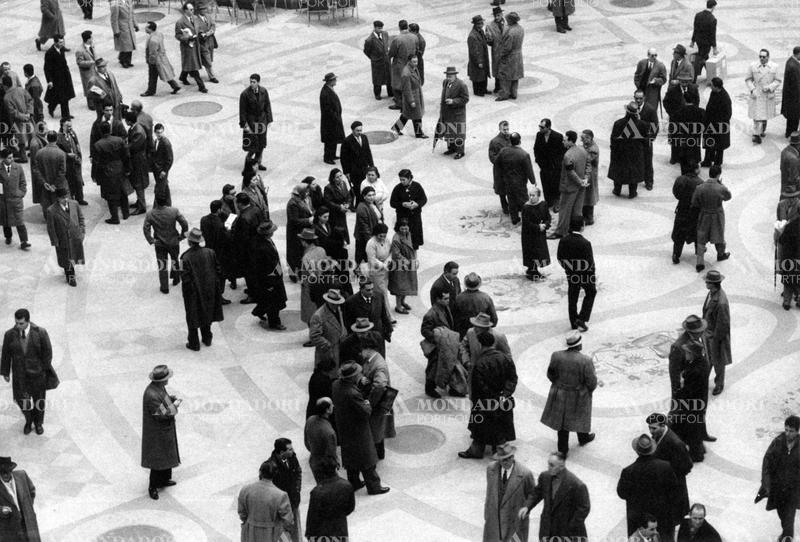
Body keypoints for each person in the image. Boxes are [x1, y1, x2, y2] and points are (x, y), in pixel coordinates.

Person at [332, 362, 390, 495]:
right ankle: (374, 486)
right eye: (357, 374)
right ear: (352, 377)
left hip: (344, 427)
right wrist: (367, 403)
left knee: (351, 457)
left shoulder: (336, 385)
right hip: (358, 429)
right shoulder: (352, 393)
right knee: (367, 458)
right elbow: (366, 412)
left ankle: (354, 482)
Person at [458, 332, 517, 459]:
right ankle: (497, 449)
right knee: (500, 424)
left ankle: (477, 450)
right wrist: (504, 394)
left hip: (485, 402)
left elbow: (479, 387)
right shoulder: (505, 358)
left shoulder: (480, 364)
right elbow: (512, 379)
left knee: (480, 426)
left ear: (480, 345)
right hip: (503, 400)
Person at [540, 331, 596, 455]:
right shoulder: (586, 360)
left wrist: (559, 385)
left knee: (562, 422)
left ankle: (563, 450)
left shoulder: (556, 355)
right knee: (580, 416)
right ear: (579, 345)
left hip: (559, 393)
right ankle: (583, 438)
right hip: (578, 394)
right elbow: (591, 381)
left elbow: (550, 374)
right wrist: (587, 391)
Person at [1, 309, 54, 436]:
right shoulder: (9, 335)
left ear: (28, 321)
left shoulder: (40, 332)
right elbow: (6, 355)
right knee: (22, 401)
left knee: (39, 401)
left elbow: (48, 353)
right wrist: (5, 372)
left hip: (37, 375)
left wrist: (43, 369)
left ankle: (38, 423)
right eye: (16, 323)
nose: (18, 326)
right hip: (20, 376)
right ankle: (29, 420)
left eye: (21, 323)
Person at [669, 315, 714, 463]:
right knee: (681, 417)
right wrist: (677, 393)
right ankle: (679, 443)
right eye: (700, 331)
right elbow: (674, 373)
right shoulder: (678, 346)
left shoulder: (699, 339)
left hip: (698, 386)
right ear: (692, 332)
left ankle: (700, 437)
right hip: (687, 389)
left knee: (699, 413)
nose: (702, 333)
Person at [618, 434, 679, 542]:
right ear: (652, 450)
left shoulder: (628, 471)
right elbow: (674, 490)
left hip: (638, 518)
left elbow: (622, 493)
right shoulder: (665, 467)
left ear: (637, 451)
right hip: (663, 516)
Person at [521, 452, 590, 540]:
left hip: (566, 532)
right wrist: (527, 506)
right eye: (548, 464)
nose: (548, 467)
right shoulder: (544, 476)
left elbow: (584, 508)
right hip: (547, 529)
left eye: (552, 465)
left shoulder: (577, 485)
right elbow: (537, 493)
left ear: (561, 466)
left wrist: (571, 526)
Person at [480, 443, 536, 541]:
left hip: (515, 524)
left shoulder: (525, 474)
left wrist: (525, 510)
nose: (506, 462)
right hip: (494, 523)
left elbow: (533, 495)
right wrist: (487, 515)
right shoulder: (491, 469)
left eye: (508, 458)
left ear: (513, 457)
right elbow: (489, 493)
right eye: (503, 460)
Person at [647, 412, 692, 530]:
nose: (651, 431)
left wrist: (671, 475)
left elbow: (687, 465)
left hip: (674, 489)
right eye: (649, 428)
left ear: (663, 425)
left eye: (654, 428)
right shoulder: (658, 435)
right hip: (663, 487)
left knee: (670, 522)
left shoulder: (675, 443)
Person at [141, 364, 181, 500]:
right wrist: (173, 406)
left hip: (163, 430)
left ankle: (164, 479)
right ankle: (153, 486)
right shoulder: (151, 394)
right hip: (157, 432)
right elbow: (160, 414)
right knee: (158, 459)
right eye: (167, 378)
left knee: (166, 455)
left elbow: (163, 401)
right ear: (161, 380)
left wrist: (170, 400)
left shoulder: (158, 388)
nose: (168, 380)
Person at [180, 228, 224, 349]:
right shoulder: (210, 252)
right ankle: (207, 338)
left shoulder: (185, 257)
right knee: (207, 312)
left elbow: (185, 278)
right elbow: (218, 270)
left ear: (189, 241)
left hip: (193, 292)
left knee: (192, 316)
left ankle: (194, 343)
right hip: (209, 289)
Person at [759, 414, 800, 542]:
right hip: (778, 487)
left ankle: (787, 537)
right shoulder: (777, 442)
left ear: (797, 431)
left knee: (789, 513)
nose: (787, 433)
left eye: (791, 431)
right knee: (782, 513)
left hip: (794, 489)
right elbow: (767, 462)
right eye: (786, 430)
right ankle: (786, 533)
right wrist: (766, 484)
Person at [358, 335, 396, 459]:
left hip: (378, 403)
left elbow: (380, 385)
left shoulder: (378, 365)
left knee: (376, 429)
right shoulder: (373, 360)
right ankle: (378, 453)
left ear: (368, 349)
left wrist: (370, 401)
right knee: (377, 429)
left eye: (362, 349)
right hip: (378, 402)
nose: (360, 353)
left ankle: (376, 455)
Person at [237, 461, 294, 542]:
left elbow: (242, 513)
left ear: (260, 472)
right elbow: (288, 521)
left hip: (250, 533)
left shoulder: (245, 490)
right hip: (272, 534)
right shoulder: (281, 495)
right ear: (275, 474)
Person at [143, 195, 188, 293]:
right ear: (166, 201)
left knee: (162, 265)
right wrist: (182, 236)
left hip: (159, 243)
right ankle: (176, 279)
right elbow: (184, 223)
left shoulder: (150, 214)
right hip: (173, 241)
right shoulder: (174, 211)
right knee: (175, 260)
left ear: (156, 202)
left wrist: (151, 240)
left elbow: (146, 229)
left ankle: (164, 287)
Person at [557, 218, 596, 332]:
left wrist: (568, 269)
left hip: (571, 273)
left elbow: (560, 258)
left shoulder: (563, 240)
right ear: (582, 227)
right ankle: (582, 318)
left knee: (572, 297)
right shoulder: (586, 243)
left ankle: (573, 322)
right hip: (585, 275)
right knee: (591, 292)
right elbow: (589, 263)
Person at [305, 457, 356, 542]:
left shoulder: (317, 492)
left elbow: (312, 517)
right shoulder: (347, 485)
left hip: (322, 532)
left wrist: (309, 534)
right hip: (340, 527)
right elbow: (350, 508)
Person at [248, 221, 287, 330]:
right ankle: (274, 322)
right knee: (274, 303)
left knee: (269, 300)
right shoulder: (262, 247)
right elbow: (262, 268)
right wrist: (269, 283)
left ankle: (258, 311)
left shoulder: (265, 241)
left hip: (275, 275)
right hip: (270, 279)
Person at [691, 165, 731, 272]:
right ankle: (721, 253)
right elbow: (728, 197)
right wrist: (721, 184)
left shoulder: (700, 187)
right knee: (719, 234)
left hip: (704, 214)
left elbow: (694, 202)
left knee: (701, 237)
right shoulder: (721, 188)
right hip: (717, 215)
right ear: (718, 175)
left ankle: (700, 262)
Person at [550, 131, 588, 239]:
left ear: (571, 141)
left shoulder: (568, 155)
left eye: (565, 140)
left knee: (564, 210)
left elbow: (570, 172)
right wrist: (585, 178)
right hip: (580, 187)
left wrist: (580, 181)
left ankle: (561, 231)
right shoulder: (582, 150)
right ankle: (575, 228)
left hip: (569, 187)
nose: (563, 141)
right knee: (577, 209)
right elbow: (588, 164)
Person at [421, 289, 457, 398]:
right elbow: (424, 331)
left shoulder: (445, 308)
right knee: (433, 368)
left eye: (448, 298)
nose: (448, 301)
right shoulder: (430, 314)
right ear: (438, 299)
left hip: (446, 344)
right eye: (445, 299)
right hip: (437, 346)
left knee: (448, 365)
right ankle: (429, 389)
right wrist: (438, 338)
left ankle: (450, 386)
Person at [495, 132, 537, 225]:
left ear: (510, 141)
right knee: (524, 200)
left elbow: (497, 163)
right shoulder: (524, 154)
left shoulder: (503, 151)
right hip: (520, 182)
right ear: (520, 141)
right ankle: (528, 219)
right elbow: (528, 169)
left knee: (511, 200)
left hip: (508, 181)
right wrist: (533, 181)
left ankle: (514, 218)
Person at [93, 122, 131, 224]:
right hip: (120, 168)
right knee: (123, 192)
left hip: (107, 171)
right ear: (110, 129)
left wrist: (96, 176)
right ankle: (126, 213)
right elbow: (126, 155)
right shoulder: (119, 140)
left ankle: (115, 217)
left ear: (101, 131)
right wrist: (127, 169)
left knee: (111, 195)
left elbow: (97, 162)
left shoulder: (98, 145)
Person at [46, 187, 85, 287]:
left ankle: (70, 271)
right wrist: (55, 241)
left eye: (66, 197)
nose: (65, 199)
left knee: (74, 256)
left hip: (75, 236)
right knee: (66, 258)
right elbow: (51, 228)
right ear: (58, 199)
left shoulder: (74, 204)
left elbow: (81, 218)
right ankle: (71, 277)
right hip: (62, 239)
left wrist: (82, 231)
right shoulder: (52, 210)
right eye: (63, 198)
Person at [609, 102, 648, 199]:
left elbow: (613, 139)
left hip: (620, 152)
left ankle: (617, 190)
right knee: (633, 172)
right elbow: (645, 140)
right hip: (636, 153)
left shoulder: (618, 123)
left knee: (619, 170)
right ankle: (632, 192)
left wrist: (614, 150)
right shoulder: (642, 124)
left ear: (626, 112)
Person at [265, 439, 302, 542]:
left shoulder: (292, 457)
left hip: (293, 501)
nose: (293, 451)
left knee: (295, 530)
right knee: (283, 534)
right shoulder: (271, 466)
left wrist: (297, 488)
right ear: (281, 452)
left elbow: (298, 472)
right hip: (280, 506)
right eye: (289, 449)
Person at [701, 270, 730, 395]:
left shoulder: (721, 301)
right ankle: (703, 380)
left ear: (713, 283)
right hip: (708, 333)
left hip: (715, 336)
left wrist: (716, 340)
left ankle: (719, 384)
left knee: (718, 361)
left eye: (707, 281)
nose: (706, 283)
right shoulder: (711, 294)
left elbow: (723, 324)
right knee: (708, 358)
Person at [199, 200, 233, 305]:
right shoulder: (219, 224)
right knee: (221, 275)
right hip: (219, 252)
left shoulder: (203, 219)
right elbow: (226, 238)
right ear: (219, 210)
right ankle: (219, 296)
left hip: (208, 249)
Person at [0, 455, 41, 540]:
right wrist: (2, 510)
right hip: (9, 527)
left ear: (11, 470)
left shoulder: (21, 475)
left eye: (7, 472)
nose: (5, 475)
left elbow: (32, 491)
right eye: (2, 473)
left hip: (28, 522)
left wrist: (27, 506)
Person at [671, 161, 704, 265]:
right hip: (695, 212)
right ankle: (697, 251)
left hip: (682, 209)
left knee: (679, 233)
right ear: (695, 170)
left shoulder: (680, 179)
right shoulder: (700, 183)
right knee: (696, 232)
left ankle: (676, 254)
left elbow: (675, 192)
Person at [746, 49, 781, 144]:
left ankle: (761, 131)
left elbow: (778, 80)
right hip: (757, 93)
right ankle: (756, 134)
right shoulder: (753, 66)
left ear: (768, 57)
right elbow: (748, 79)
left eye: (764, 57)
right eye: (760, 56)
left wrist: (770, 87)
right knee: (757, 116)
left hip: (767, 94)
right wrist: (752, 89)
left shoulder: (774, 66)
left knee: (764, 115)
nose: (761, 58)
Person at [299, 229, 329, 344]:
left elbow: (310, 275)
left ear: (304, 242)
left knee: (310, 313)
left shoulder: (306, 257)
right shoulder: (321, 250)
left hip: (310, 288)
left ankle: (314, 337)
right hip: (322, 284)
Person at [315, 205, 351, 296]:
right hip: (325, 253)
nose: (327, 219)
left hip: (333, 251)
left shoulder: (328, 224)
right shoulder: (315, 228)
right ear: (318, 216)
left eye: (328, 216)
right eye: (324, 217)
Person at [239, 74, 272, 170]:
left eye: (254, 82)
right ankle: (248, 165)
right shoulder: (245, 94)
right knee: (252, 145)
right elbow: (242, 111)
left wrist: (269, 120)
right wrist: (244, 125)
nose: (252, 84)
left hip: (262, 121)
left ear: (258, 82)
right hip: (251, 122)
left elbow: (267, 105)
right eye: (251, 82)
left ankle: (258, 162)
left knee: (261, 144)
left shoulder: (263, 91)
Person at [389, 169, 427, 249]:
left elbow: (423, 199)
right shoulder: (397, 188)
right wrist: (403, 204)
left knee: (415, 237)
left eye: (404, 179)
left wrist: (417, 204)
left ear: (409, 178)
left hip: (415, 217)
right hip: (403, 218)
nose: (402, 181)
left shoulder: (417, 186)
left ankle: (414, 254)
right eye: (400, 180)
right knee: (404, 237)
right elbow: (392, 203)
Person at [174, 3, 208, 93]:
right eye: (190, 10)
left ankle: (183, 77)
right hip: (188, 47)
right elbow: (177, 35)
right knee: (193, 67)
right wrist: (187, 38)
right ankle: (201, 86)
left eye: (193, 9)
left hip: (196, 45)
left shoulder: (195, 18)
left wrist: (201, 33)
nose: (192, 11)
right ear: (185, 10)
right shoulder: (180, 22)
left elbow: (198, 28)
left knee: (189, 63)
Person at [437, 67, 470, 159]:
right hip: (447, 112)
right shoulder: (445, 82)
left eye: (450, 76)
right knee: (449, 131)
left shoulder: (461, 85)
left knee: (458, 132)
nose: (448, 78)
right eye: (447, 76)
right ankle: (451, 148)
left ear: (455, 75)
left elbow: (465, 99)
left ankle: (460, 151)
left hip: (457, 114)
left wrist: (453, 101)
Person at [35, 130, 69, 220]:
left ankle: (49, 221)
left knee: (47, 205)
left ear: (47, 138)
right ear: (56, 139)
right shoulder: (61, 153)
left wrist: (44, 182)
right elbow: (62, 172)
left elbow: (36, 170)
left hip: (45, 185)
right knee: (61, 206)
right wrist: (54, 184)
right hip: (59, 186)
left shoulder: (39, 153)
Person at [0, 149, 30, 250]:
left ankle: (24, 241)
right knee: (6, 221)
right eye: (9, 158)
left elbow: (23, 182)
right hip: (3, 200)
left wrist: (21, 193)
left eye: (12, 157)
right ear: (3, 159)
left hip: (16, 199)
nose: (12, 159)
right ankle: (8, 237)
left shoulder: (18, 167)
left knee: (20, 221)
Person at [309, 289, 347, 368]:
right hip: (327, 353)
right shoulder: (318, 316)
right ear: (328, 301)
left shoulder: (338, 309)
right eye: (334, 304)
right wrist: (328, 345)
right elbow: (314, 336)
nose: (337, 305)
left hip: (340, 349)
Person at [777, 183, 800, 310]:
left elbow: (782, 239)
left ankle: (787, 301)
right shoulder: (781, 205)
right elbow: (778, 218)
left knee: (788, 276)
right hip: (795, 254)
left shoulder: (791, 226)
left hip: (789, 253)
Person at [142, 22, 181, 96]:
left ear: (150, 29)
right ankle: (175, 86)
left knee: (152, 76)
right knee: (165, 73)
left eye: (146, 27)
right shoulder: (159, 34)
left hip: (156, 60)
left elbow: (152, 53)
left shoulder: (153, 40)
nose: (145, 28)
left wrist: (150, 62)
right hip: (162, 58)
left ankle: (151, 91)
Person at [392, 56, 427, 138]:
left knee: (406, 115)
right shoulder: (406, 73)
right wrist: (411, 101)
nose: (416, 63)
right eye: (414, 62)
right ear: (409, 61)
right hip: (412, 97)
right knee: (417, 116)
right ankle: (419, 133)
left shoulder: (413, 68)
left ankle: (396, 128)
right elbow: (407, 89)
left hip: (416, 95)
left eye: (416, 61)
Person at [304, 397, 338, 481]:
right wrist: (335, 464)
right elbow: (331, 454)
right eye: (331, 405)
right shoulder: (329, 432)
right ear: (327, 410)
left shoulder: (310, 420)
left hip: (314, 461)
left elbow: (306, 441)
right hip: (325, 466)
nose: (333, 406)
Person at [388, 218, 418, 313]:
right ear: (398, 228)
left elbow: (413, 248)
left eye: (406, 228)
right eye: (402, 228)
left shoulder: (409, 234)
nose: (404, 230)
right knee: (400, 287)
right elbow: (396, 254)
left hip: (409, 263)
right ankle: (398, 306)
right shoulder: (396, 239)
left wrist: (415, 259)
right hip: (400, 266)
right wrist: (407, 261)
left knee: (407, 285)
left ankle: (403, 302)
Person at [533, 119, 564, 211]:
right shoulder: (539, 135)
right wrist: (538, 160)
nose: (540, 128)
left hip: (555, 167)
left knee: (555, 185)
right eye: (539, 126)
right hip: (544, 166)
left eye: (542, 127)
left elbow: (562, 152)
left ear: (548, 127)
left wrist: (558, 164)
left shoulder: (558, 136)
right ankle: (548, 202)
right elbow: (536, 148)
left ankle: (557, 202)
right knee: (545, 184)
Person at [521, 188, 551, 280]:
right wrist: (538, 227)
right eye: (530, 195)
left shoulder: (543, 204)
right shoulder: (526, 207)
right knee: (531, 252)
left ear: (538, 196)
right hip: (529, 235)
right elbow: (526, 223)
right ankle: (532, 271)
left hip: (540, 234)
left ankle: (534, 270)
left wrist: (545, 225)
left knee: (539, 252)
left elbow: (548, 217)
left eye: (533, 195)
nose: (531, 197)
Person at [2, 76, 33, 164]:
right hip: (28, 117)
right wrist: (29, 113)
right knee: (31, 134)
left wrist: (23, 116)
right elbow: (30, 100)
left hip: (18, 121)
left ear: (4, 86)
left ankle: (23, 157)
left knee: (21, 139)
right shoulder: (21, 89)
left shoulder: (6, 97)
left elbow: (12, 112)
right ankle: (33, 152)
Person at [701, 78, 731, 168]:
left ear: (717, 87)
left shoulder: (725, 97)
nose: (710, 87)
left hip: (720, 125)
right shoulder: (713, 92)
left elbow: (728, 114)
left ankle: (717, 163)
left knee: (719, 146)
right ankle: (708, 161)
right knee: (709, 143)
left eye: (712, 85)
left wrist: (718, 123)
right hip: (710, 123)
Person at [387, 20, 417, 110]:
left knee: (397, 83)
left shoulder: (397, 39)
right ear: (407, 27)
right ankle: (409, 100)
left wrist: (389, 57)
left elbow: (391, 52)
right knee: (409, 82)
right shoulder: (414, 37)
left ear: (399, 27)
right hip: (411, 63)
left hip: (399, 64)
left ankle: (399, 103)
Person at [286, 183, 314, 281]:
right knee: (294, 253)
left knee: (302, 252)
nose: (307, 193)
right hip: (295, 232)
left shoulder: (305, 199)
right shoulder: (292, 203)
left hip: (304, 230)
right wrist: (308, 220)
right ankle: (293, 273)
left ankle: (301, 272)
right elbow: (294, 220)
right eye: (305, 191)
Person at [340, 122, 373, 202]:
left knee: (363, 185)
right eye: (357, 130)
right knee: (357, 187)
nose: (359, 132)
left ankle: (356, 200)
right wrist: (346, 172)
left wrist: (372, 166)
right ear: (352, 130)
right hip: (354, 170)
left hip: (364, 168)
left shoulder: (364, 137)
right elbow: (343, 158)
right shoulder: (347, 141)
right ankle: (357, 202)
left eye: (360, 130)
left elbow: (368, 152)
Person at [673, 92, 705, 174]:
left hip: (683, 140)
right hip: (695, 139)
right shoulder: (700, 111)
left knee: (684, 159)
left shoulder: (678, 112)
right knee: (694, 157)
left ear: (684, 99)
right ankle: (693, 174)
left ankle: (684, 174)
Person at [43, 35, 74, 119]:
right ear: (55, 42)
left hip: (64, 76)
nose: (62, 43)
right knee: (59, 96)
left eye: (62, 41)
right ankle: (52, 107)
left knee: (65, 97)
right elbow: (47, 68)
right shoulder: (50, 53)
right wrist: (49, 80)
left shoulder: (62, 49)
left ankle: (65, 115)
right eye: (60, 42)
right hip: (56, 78)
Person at [57, 118, 86, 206]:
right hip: (68, 164)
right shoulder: (59, 138)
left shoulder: (73, 133)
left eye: (71, 126)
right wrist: (67, 155)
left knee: (78, 180)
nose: (70, 128)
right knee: (70, 182)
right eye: (67, 126)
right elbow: (59, 152)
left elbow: (77, 144)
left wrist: (79, 156)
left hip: (76, 162)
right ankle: (72, 200)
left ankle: (80, 198)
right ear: (62, 126)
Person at [125, 110, 149, 214]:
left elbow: (133, 146)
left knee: (139, 183)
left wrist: (123, 147)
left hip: (138, 160)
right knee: (137, 181)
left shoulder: (138, 131)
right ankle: (139, 202)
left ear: (129, 121)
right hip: (137, 159)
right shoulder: (135, 128)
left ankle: (142, 206)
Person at [495, 12, 523, 101]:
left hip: (509, 57)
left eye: (507, 19)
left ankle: (504, 94)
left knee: (504, 76)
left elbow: (507, 48)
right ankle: (514, 93)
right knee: (515, 75)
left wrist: (500, 55)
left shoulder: (510, 32)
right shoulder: (520, 29)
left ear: (511, 20)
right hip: (518, 55)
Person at [634, 90, 659, 191]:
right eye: (636, 98)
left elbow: (655, 126)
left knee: (648, 161)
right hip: (635, 140)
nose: (638, 100)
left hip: (646, 140)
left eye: (640, 98)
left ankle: (649, 182)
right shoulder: (632, 108)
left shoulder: (650, 109)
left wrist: (650, 138)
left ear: (644, 98)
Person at [689, 0, 718, 81]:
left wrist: (692, 41)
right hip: (706, 43)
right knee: (701, 58)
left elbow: (695, 29)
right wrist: (714, 47)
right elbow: (713, 35)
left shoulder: (698, 15)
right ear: (713, 7)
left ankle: (711, 75)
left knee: (705, 57)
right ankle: (694, 78)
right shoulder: (712, 19)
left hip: (699, 41)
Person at [363, 21, 392, 100]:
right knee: (377, 79)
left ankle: (390, 92)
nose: (380, 30)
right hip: (377, 62)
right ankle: (377, 94)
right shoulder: (369, 40)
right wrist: (373, 58)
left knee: (389, 77)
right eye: (379, 28)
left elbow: (387, 44)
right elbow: (366, 51)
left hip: (386, 60)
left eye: (381, 28)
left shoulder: (385, 34)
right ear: (375, 28)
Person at [320, 72, 344, 164]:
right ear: (330, 81)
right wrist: (335, 117)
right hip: (330, 120)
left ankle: (332, 155)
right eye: (334, 79)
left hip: (334, 119)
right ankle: (327, 157)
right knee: (329, 139)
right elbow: (327, 109)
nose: (336, 81)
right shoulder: (325, 92)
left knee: (334, 137)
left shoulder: (329, 89)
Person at [489, 121, 512, 213]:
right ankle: (504, 206)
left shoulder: (511, 138)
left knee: (511, 188)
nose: (506, 131)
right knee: (502, 190)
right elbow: (492, 157)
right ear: (499, 129)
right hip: (500, 170)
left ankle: (512, 205)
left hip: (511, 169)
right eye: (504, 129)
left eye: (507, 129)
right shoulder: (494, 141)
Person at [110, 0, 138, 68]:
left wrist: (135, 25)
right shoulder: (115, 4)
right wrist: (116, 31)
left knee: (130, 44)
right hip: (122, 27)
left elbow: (132, 14)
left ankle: (125, 60)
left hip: (130, 27)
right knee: (126, 45)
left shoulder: (129, 1)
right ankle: (124, 61)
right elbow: (114, 19)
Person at [467, 15, 490, 97]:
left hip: (483, 57)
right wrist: (479, 61)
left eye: (481, 23)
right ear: (475, 24)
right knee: (477, 76)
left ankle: (484, 89)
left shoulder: (481, 32)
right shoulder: (472, 36)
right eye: (479, 24)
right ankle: (478, 91)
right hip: (477, 60)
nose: (481, 25)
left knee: (483, 74)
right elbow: (473, 52)